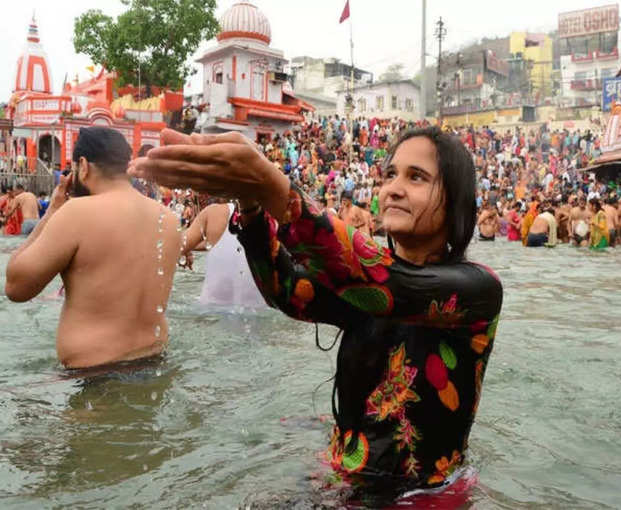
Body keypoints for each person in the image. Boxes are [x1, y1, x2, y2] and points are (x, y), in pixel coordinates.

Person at [130, 127, 503, 503]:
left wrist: (269, 182)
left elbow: (385, 283)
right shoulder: (363, 288)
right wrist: (250, 203)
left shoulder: (478, 290)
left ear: (455, 200)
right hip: (346, 478)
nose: (393, 188)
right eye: (390, 174)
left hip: (426, 497)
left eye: (416, 177)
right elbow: (287, 291)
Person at [5, 127, 181, 369]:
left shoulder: (77, 212)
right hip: (155, 363)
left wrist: (53, 211)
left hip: (94, 377)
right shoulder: (169, 218)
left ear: (84, 165)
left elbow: (16, 287)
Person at [180, 201, 266, 309]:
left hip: (212, 311)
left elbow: (176, 245)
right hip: (261, 309)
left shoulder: (214, 212)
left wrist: (187, 249)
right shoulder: (273, 212)